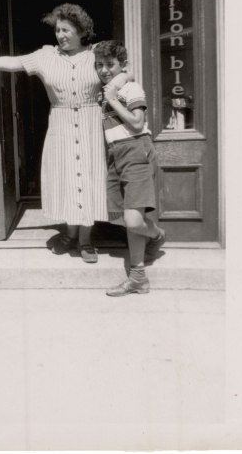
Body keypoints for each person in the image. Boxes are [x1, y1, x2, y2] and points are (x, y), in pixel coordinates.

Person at [0, 3, 130, 263]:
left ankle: (86, 239)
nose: (61, 35)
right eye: (57, 30)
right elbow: (14, 63)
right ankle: (69, 233)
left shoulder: (96, 54)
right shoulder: (46, 56)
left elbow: (123, 69)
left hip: (91, 123)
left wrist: (118, 83)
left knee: (90, 179)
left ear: (81, 30)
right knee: (67, 177)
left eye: (66, 30)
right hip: (61, 124)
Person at [94, 40, 166, 296]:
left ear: (122, 65)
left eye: (109, 65)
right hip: (116, 154)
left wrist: (112, 100)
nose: (103, 70)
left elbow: (137, 123)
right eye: (99, 65)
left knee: (133, 219)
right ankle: (138, 277)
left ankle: (157, 236)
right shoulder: (109, 87)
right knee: (123, 217)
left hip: (135, 149)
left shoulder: (130, 87)